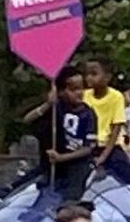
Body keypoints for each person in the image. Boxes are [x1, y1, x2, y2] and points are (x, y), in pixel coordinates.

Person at [40, 65, 101, 202]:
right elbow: (28, 120)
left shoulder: (88, 114)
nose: (79, 93)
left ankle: (68, 207)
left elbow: (89, 148)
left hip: (78, 161)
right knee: (37, 174)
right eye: (73, 89)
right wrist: (48, 104)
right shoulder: (57, 108)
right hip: (57, 160)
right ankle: (9, 189)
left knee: (73, 188)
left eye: (81, 88)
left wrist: (62, 157)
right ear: (61, 92)